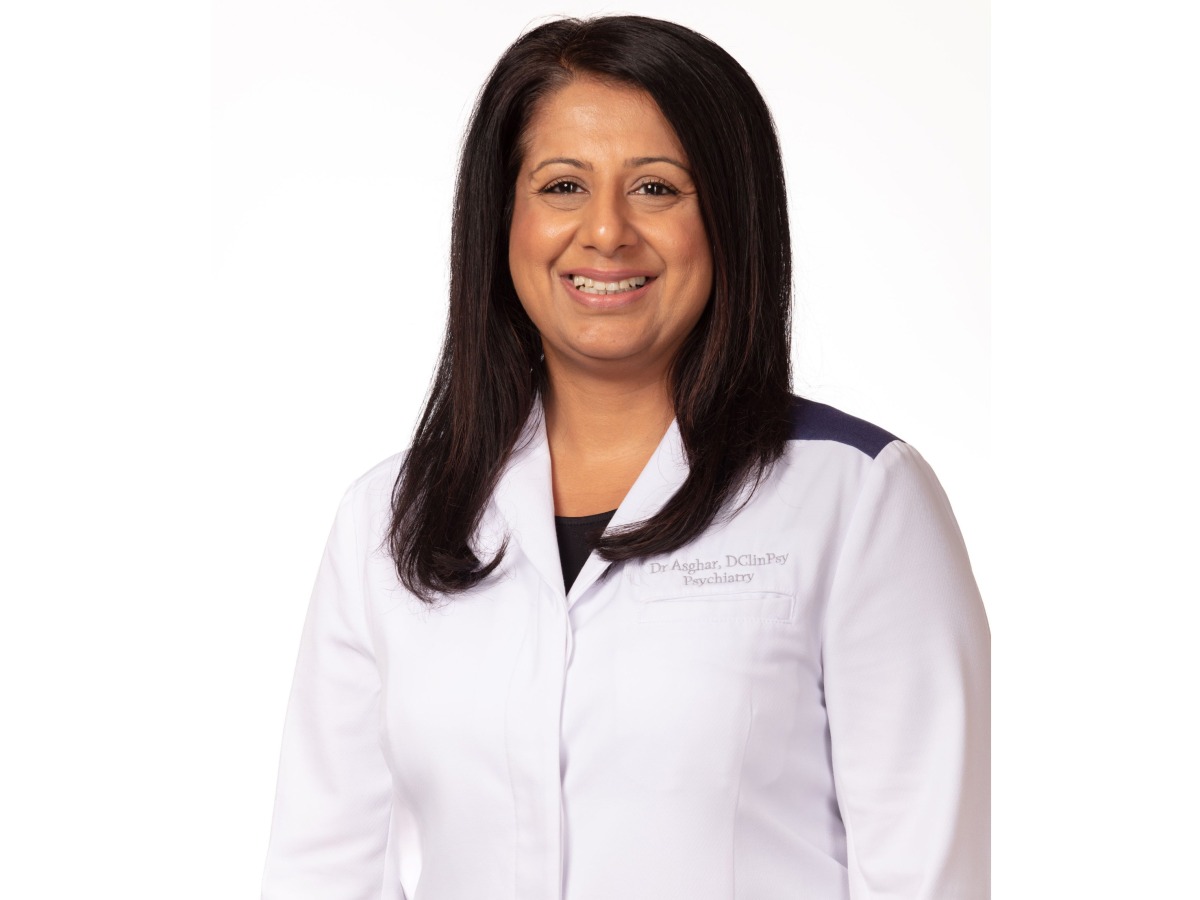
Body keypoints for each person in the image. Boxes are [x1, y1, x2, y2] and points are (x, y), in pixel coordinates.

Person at [261, 14, 989, 900]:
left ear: (730, 218)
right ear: (504, 220)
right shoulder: (388, 519)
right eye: (563, 185)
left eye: (656, 188)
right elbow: (322, 871)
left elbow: (923, 877)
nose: (606, 231)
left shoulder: (859, 497)